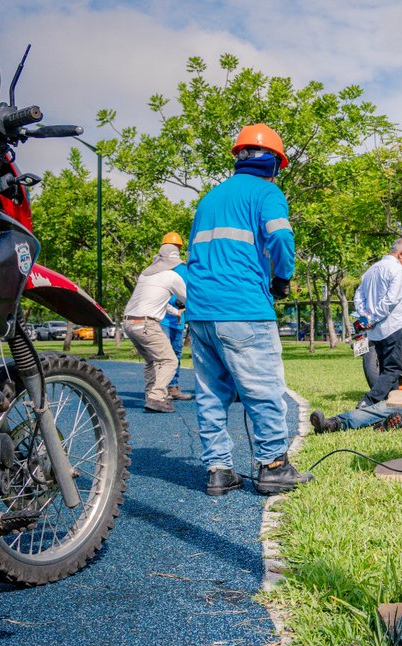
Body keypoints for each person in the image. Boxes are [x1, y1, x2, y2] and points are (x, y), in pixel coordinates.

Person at [184, 123, 312, 497]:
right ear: (273, 161)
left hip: (201, 310)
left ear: (239, 157)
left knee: (210, 394)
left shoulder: (209, 198)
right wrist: (282, 278)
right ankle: (273, 467)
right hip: (243, 308)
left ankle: (219, 471)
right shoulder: (267, 193)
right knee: (264, 390)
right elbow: (281, 237)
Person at [122, 235, 187, 414]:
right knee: (169, 360)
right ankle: (157, 397)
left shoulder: (146, 274)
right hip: (146, 324)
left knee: (152, 361)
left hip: (129, 323)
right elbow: (190, 299)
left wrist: (175, 312)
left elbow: (154, 301)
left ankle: (150, 395)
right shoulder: (172, 276)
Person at [353, 238, 402, 408]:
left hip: (376, 331)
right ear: (401, 254)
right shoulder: (398, 270)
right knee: (393, 369)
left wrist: (365, 317)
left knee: (385, 369)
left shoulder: (370, 271)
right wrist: (371, 318)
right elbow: (391, 300)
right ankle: (368, 401)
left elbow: (358, 297)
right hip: (393, 326)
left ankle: (393, 404)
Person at [158, 231, 193, 402]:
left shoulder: (185, 269)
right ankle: (159, 389)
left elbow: (190, 291)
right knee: (163, 354)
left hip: (178, 320)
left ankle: (172, 387)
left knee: (176, 353)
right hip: (162, 318)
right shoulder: (159, 267)